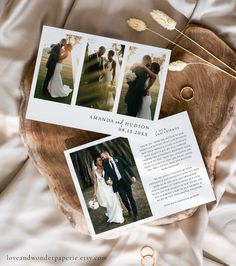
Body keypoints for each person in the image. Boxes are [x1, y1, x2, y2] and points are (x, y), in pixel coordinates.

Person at [100, 150, 138, 221]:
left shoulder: (118, 159)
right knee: (124, 198)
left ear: (107, 154)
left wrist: (132, 175)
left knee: (131, 198)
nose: (102, 159)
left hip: (125, 181)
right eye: (102, 158)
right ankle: (129, 210)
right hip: (118, 184)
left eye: (103, 157)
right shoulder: (105, 164)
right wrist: (107, 180)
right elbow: (106, 175)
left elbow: (127, 167)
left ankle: (135, 214)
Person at [92, 157, 124, 224]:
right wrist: (94, 192)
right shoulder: (94, 172)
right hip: (103, 190)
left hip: (110, 187)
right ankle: (111, 214)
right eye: (99, 160)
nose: (101, 161)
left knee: (114, 200)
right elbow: (95, 183)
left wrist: (112, 181)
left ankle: (118, 216)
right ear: (96, 163)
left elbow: (112, 175)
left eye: (101, 160)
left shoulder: (105, 168)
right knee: (109, 203)